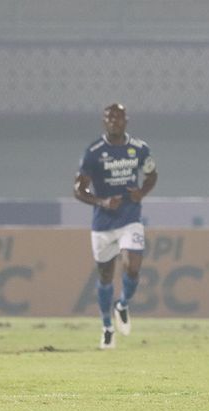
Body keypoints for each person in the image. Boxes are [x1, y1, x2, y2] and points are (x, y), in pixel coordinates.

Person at [74, 103, 158, 349]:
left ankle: (122, 305)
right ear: (104, 122)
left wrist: (141, 192)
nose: (114, 121)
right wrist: (101, 200)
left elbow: (152, 174)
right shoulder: (94, 152)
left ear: (126, 121)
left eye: (118, 117)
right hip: (103, 224)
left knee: (132, 266)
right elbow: (78, 189)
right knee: (105, 275)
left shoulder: (140, 149)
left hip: (130, 218)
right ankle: (107, 327)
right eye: (109, 117)